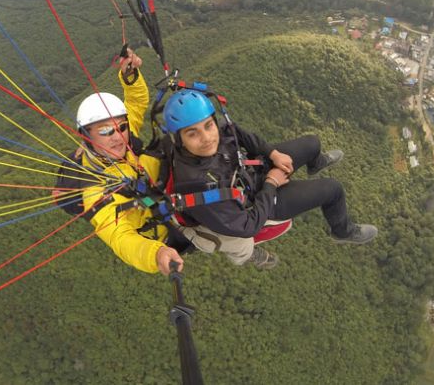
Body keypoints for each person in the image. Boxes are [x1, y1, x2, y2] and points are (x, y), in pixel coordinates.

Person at [161, 89, 378, 269]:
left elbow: (237, 132)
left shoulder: (215, 134)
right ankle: (342, 231)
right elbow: (247, 227)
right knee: (333, 190)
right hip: (258, 203)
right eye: (193, 133)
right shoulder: (197, 188)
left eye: (208, 126)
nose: (207, 138)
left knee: (312, 143)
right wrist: (271, 183)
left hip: (251, 173)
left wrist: (272, 154)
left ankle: (315, 163)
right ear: (179, 140)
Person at [77, 49, 183, 275]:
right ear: (86, 136)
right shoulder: (95, 191)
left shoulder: (123, 140)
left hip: (169, 191)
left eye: (121, 127)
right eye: (105, 131)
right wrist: (156, 254)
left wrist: (129, 77)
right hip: (163, 229)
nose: (117, 136)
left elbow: (135, 104)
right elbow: (120, 237)